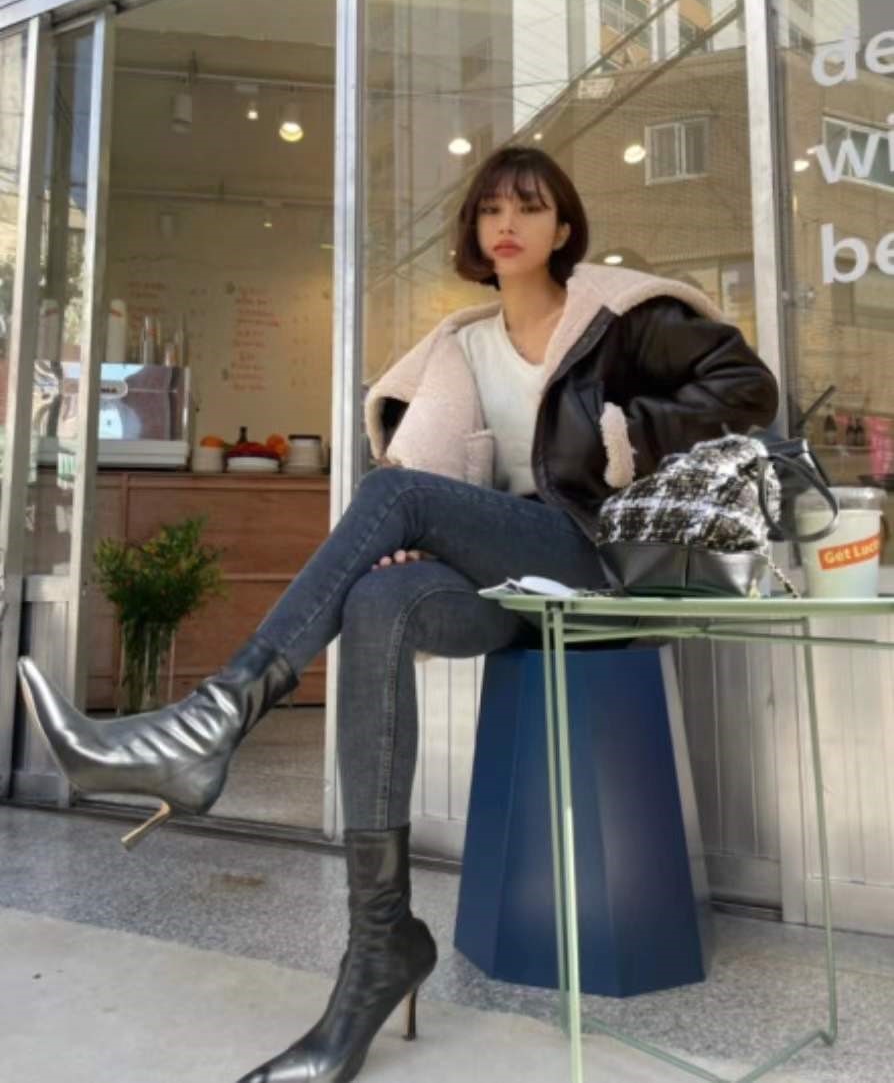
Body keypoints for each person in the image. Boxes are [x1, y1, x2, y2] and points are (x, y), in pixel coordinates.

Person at [18, 145, 778, 1083]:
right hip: (511, 586)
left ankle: (209, 724)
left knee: (397, 496)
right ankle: (379, 942)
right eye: (491, 209)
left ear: (564, 227)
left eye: (529, 207)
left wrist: (624, 431)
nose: (508, 224)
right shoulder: (461, 346)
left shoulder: (619, 322)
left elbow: (749, 389)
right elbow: (429, 475)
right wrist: (432, 537)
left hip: (594, 558)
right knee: (380, 594)